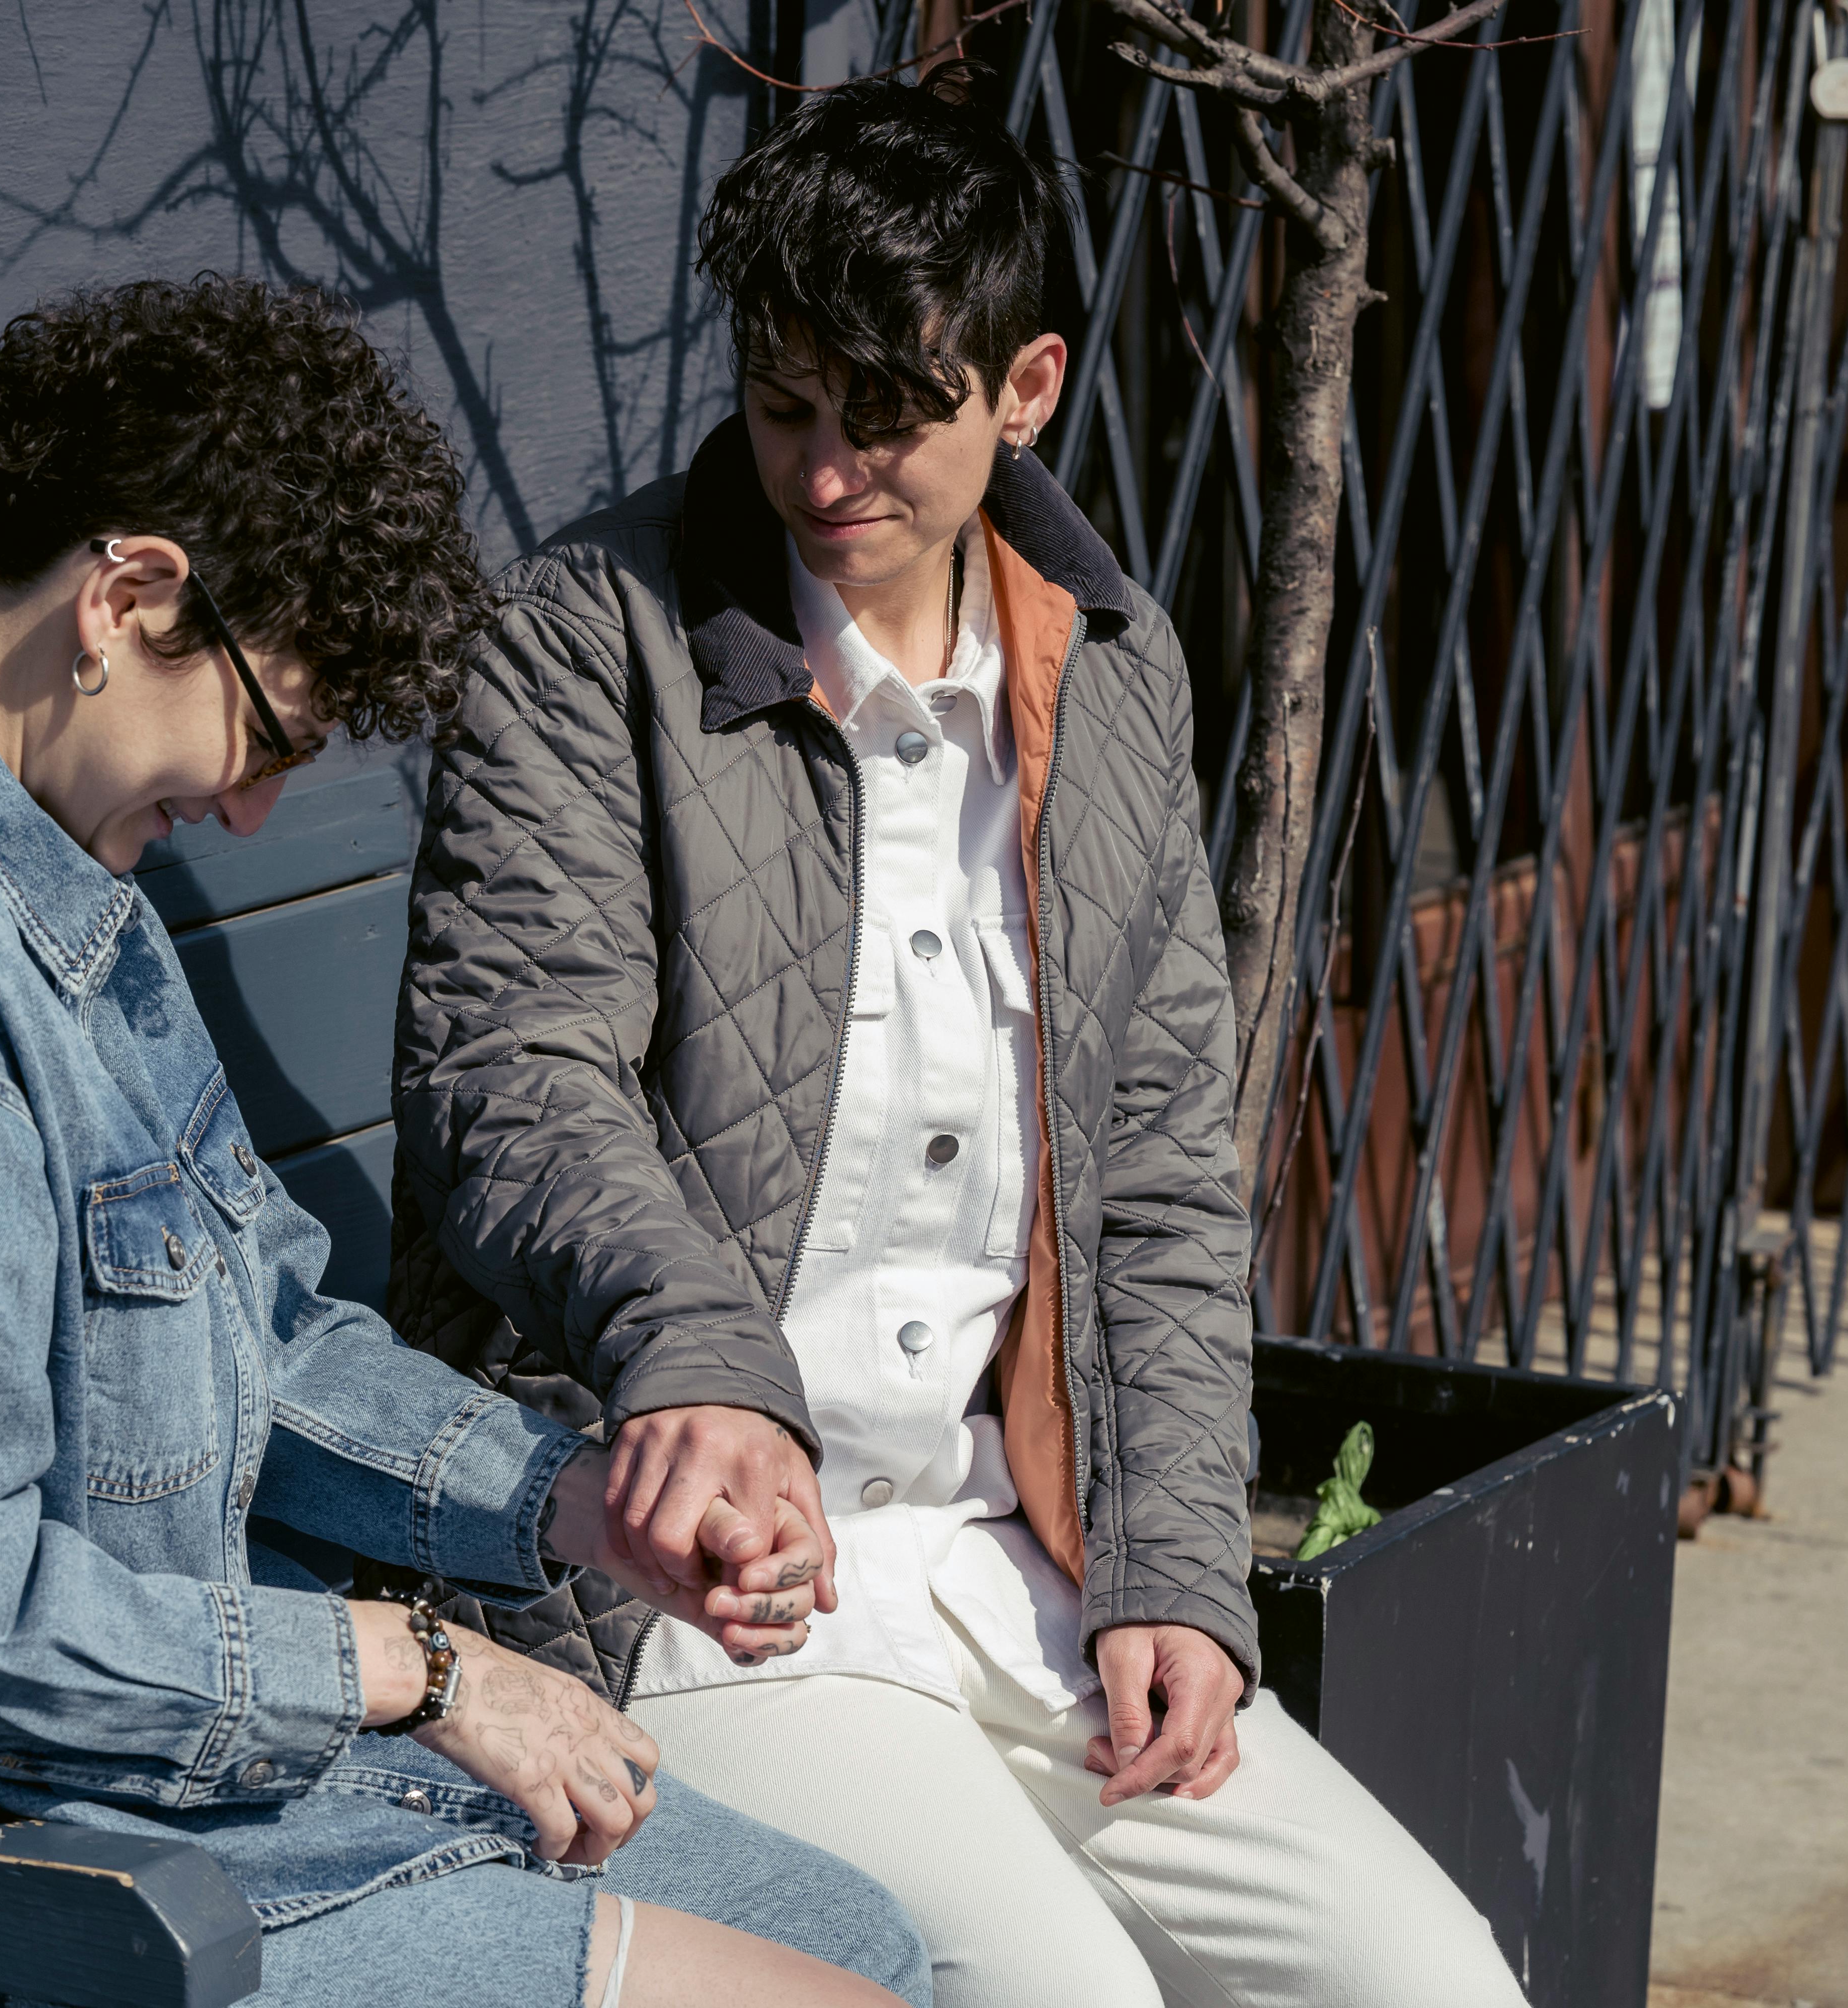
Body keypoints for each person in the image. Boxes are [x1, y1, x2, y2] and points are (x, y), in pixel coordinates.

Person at [0, 275, 930, 2008]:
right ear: (131, 593)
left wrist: (563, 1508)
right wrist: (425, 1671)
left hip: (132, 1812)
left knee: (866, 1957)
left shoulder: (42, 862)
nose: (249, 809)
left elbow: (254, 1337)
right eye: (271, 736)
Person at [389, 72, 1532, 2008]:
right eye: (784, 409)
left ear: (1028, 387)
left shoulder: (1114, 667)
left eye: (892, 417)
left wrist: (1174, 1576)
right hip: (716, 1589)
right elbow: (513, 1077)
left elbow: (1162, 1168)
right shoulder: (599, 638)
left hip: (1023, 1573)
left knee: (1428, 1986)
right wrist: (700, 1363)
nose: (829, 476)